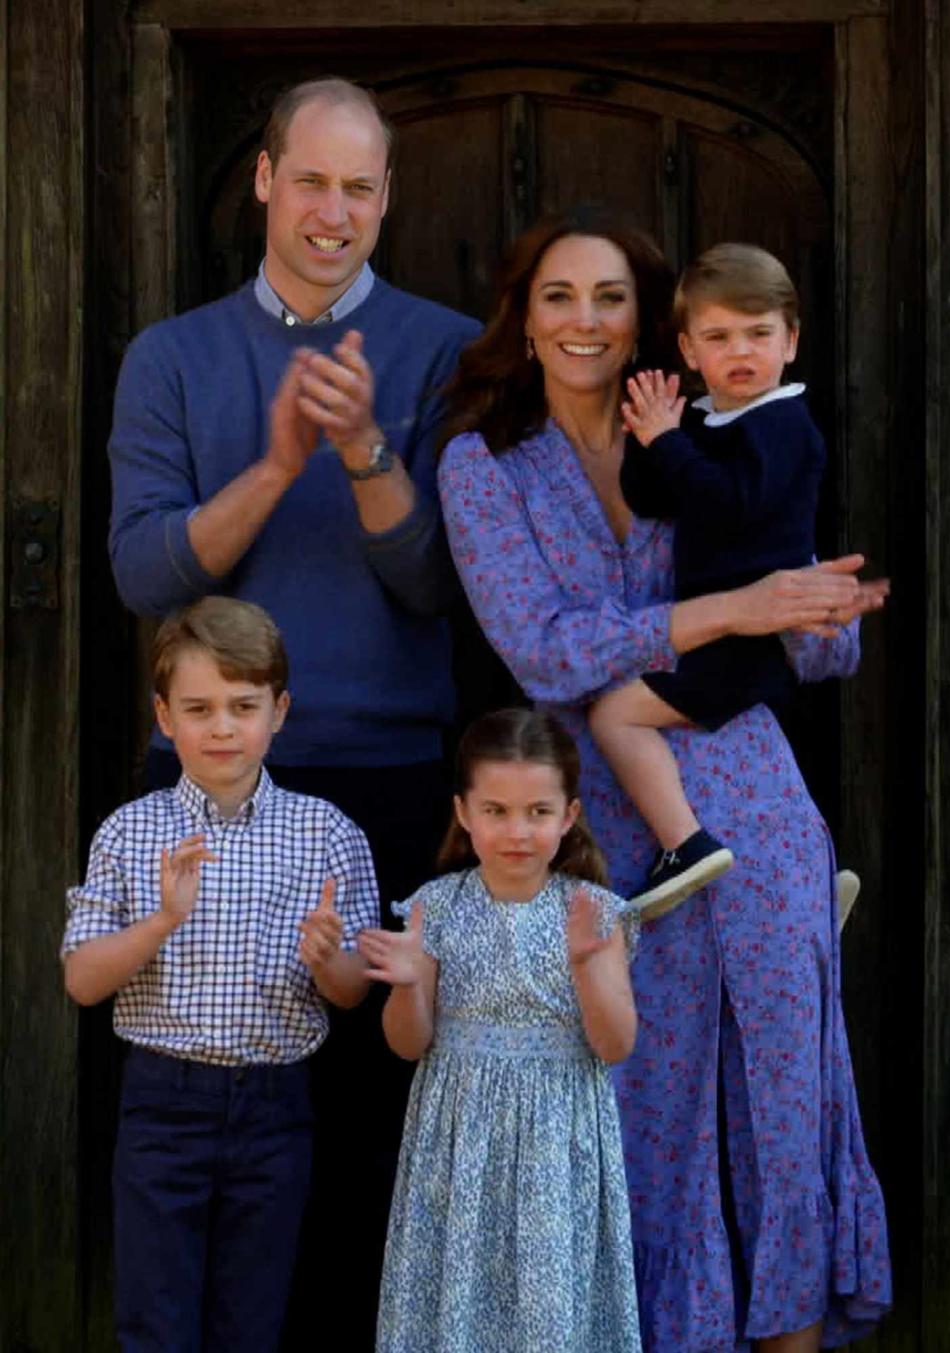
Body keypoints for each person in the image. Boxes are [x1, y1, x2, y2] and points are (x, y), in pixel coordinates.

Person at [437, 205, 892, 1352]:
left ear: (652, 324)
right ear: (523, 320)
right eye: (559, 297)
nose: (585, 321)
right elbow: (542, 648)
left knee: (788, 1090)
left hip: (752, 782)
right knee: (644, 1104)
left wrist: (819, 610)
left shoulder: (710, 422)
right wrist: (734, 609)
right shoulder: (482, 462)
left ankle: (794, 1332)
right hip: (601, 814)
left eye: (609, 298)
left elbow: (807, 630)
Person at [106, 77, 481, 1342]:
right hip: (210, 782)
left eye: (359, 187)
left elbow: (439, 587)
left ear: (388, 199)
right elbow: (146, 573)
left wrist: (368, 450)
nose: (333, 211)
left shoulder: (446, 350)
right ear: (263, 179)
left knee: (371, 1124)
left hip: (385, 778)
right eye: (309, 180)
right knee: (204, 1126)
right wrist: (275, 465)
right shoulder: (173, 356)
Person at [60, 597, 380, 1352]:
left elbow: (353, 990)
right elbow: (81, 980)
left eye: (244, 706)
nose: (224, 728)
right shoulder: (131, 831)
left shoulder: (327, 832)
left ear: (280, 710)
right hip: (163, 1103)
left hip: (275, 1105)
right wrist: (162, 920)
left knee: (252, 1319)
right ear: (165, 716)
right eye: (199, 708)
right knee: (154, 1319)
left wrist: (327, 956)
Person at [358, 708, 642, 1353]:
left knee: (549, 1310)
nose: (518, 831)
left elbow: (615, 1045)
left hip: (556, 1139)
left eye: (538, 812)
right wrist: (407, 983)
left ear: (568, 816)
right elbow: (408, 1043)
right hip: (459, 1140)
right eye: (496, 811)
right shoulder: (437, 906)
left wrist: (588, 967)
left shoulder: (595, 912)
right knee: (458, 1302)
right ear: (463, 812)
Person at [588, 243, 827, 918]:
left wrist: (670, 441)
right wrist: (649, 434)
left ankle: (684, 844)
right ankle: (794, 883)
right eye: (719, 337)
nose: (741, 351)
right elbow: (653, 496)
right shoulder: (709, 419)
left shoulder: (784, 425)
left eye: (759, 333)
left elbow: (729, 504)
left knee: (615, 713)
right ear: (690, 351)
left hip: (747, 640)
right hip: (716, 629)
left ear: (792, 340)